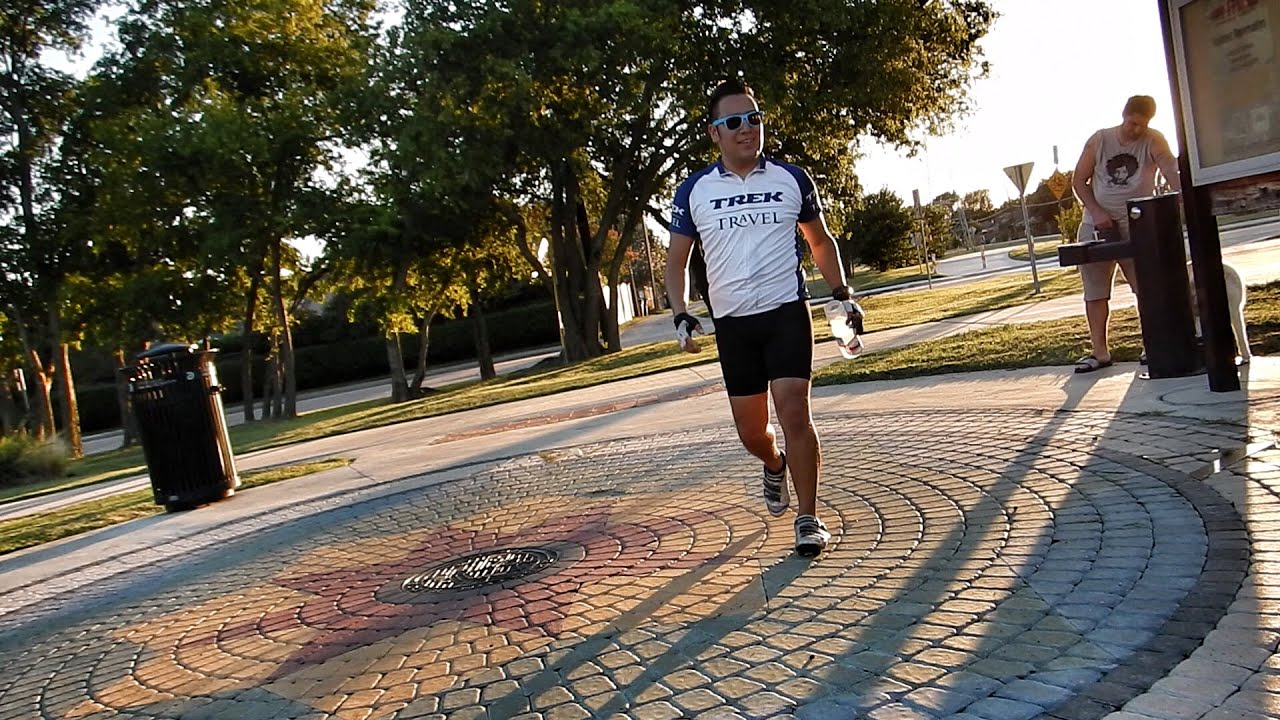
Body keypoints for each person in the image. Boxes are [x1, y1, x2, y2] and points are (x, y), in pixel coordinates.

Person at [665, 78, 861, 557]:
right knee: (752, 432)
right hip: (734, 325)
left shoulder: (791, 179)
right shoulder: (694, 190)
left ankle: (808, 517)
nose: (746, 129)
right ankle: (774, 464)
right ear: (715, 133)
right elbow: (676, 261)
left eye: (754, 118)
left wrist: (841, 293)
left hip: (785, 314)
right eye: (733, 122)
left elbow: (820, 242)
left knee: (794, 409)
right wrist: (680, 313)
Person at [1071, 94, 1181, 373]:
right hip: (1098, 226)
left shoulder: (1154, 140)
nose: (1136, 130)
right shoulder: (1100, 140)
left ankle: (1152, 346)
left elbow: (1170, 169)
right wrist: (1096, 212)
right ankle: (1100, 352)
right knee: (1095, 293)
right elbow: (1078, 181)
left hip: (1138, 226)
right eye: (1132, 123)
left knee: (1145, 288)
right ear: (1124, 116)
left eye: (1142, 125)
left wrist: (1182, 193)